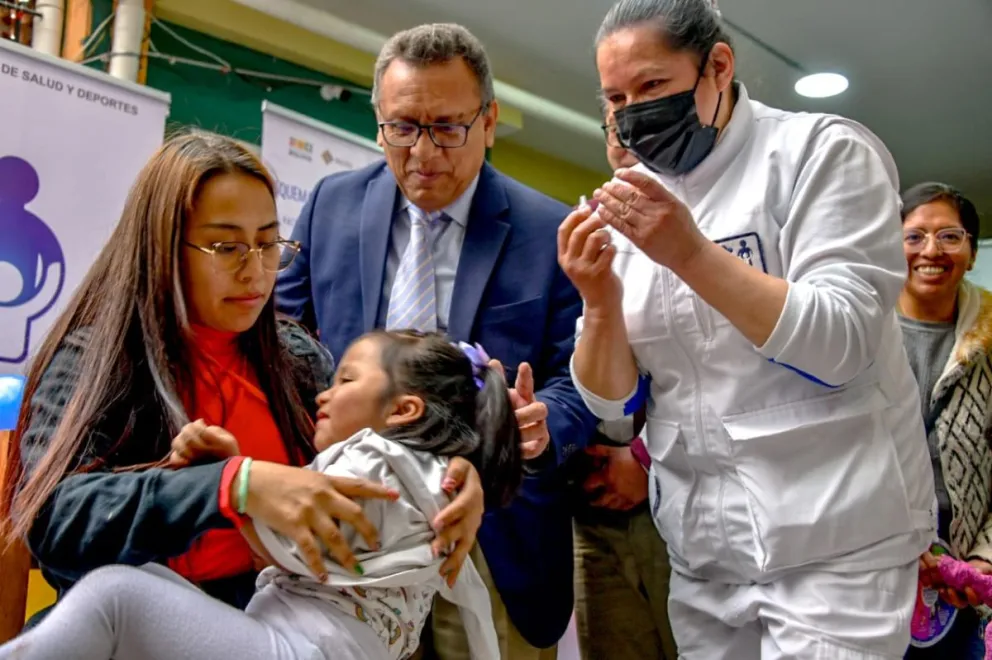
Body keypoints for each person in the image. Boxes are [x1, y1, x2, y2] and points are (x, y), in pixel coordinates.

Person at [558, 0, 936, 657]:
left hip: (835, 549)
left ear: (718, 66)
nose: (632, 112)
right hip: (707, 557)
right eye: (616, 97)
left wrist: (691, 255)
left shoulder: (820, 154)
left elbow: (841, 343)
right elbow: (615, 412)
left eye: (652, 87)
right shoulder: (627, 200)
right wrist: (600, 303)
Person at [0, 131, 484, 620]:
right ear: (162, 247)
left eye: (268, 243)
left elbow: (380, 458)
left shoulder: (297, 360)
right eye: (226, 247)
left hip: (283, 628)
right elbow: (53, 519)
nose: (256, 272)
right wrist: (232, 484)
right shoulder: (95, 360)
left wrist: (451, 479)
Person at [276, 23, 599, 659]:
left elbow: (581, 381)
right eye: (404, 127)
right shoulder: (331, 206)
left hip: (491, 533)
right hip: (351, 521)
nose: (424, 152)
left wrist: (541, 421)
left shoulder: (549, 230)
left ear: (489, 120)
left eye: (448, 127)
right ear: (378, 122)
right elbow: (282, 342)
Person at [0, 330, 523, 660]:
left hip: (299, 650)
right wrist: (227, 481)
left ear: (402, 411)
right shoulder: (424, 476)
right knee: (139, 581)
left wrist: (232, 481)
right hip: (296, 641)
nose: (325, 391)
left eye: (345, 380)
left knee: (116, 596)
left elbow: (291, 540)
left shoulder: (373, 461)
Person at [568, 109, 677, 660]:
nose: (629, 139)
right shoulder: (585, 227)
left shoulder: (706, 229)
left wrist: (644, 460)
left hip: (678, 506)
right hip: (595, 511)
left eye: (644, 118)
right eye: (614, 127)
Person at [896, 183, 989, 659]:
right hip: (876, 582)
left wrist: (984, 556)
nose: (931, 251)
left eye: (950, 236)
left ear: (972, 252)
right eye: (914, 237)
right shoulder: (857, 333)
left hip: (971, 589)